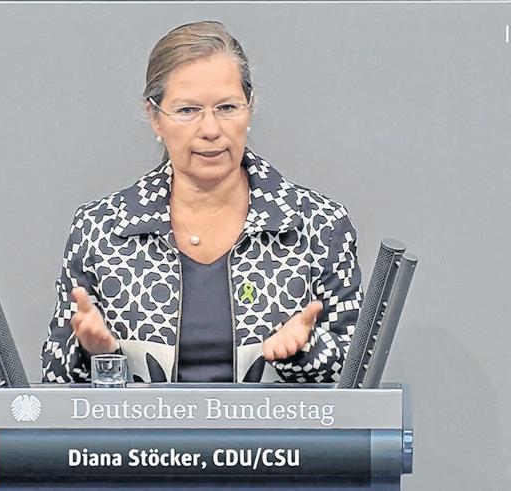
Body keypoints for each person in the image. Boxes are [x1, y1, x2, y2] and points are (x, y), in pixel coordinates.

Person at [41, 20, 363, 384]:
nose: (210, 129)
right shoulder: (100, 229)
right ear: (154, 117)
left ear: (249, 108)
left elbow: (359, 377)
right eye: (187, 111)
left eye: (227, 107)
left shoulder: (319, 225)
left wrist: (304, 351)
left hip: (273, 426)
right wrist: (94, 354)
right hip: (145, 426)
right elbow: (55, 379)